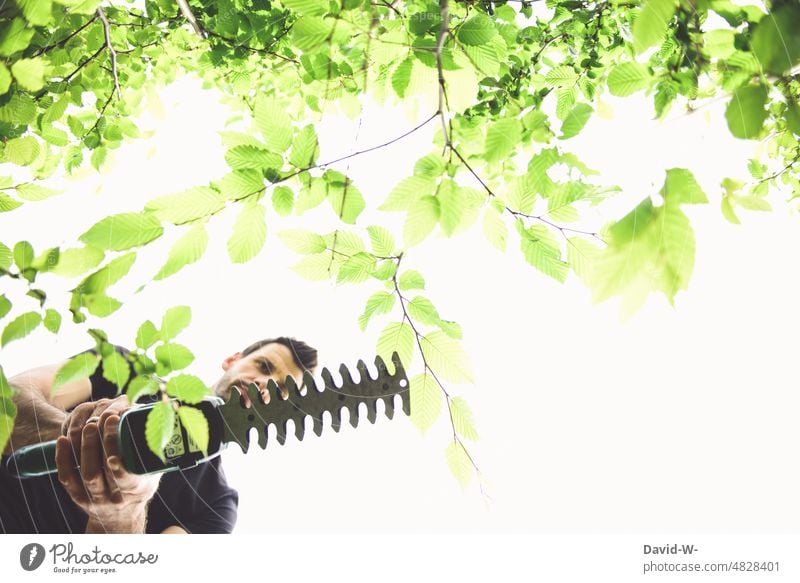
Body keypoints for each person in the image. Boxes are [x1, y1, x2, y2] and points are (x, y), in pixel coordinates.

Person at [0, 336, 318, 534]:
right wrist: (83, 438)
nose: (265, 384)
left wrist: (127, 506)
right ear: (232, 360)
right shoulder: (125, 368)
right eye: (263, 366)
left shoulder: (217, 508)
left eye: (280, 389)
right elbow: (11, 395)